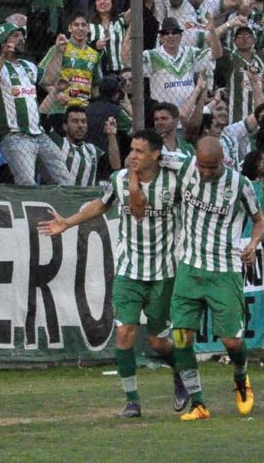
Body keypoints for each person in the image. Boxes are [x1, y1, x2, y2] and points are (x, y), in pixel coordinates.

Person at [38, 129, 190, 419]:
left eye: (140, 151)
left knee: (158, 341)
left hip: (164, 270)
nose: (133, 156)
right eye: (131, 150)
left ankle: (179, 372)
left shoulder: (176, 178)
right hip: (129, 269)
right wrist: (67, 223)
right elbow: (101, 204)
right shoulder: (119, 180)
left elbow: (192, 167)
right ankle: (132, 401)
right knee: (124, 333)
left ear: (157, 155)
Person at [169, 136, 264, 422]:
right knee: (180, 336)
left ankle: (241, 378)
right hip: (189, 268)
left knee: (231, 341)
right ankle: (198, 403)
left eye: (212, 167)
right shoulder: (184, 167)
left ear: (223, 160)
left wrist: (252, 244)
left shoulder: (240, 185)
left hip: (225, 270)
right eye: (202, 166)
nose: (206, 172)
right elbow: (145, 157)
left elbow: (259, 220)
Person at [0, 22, 72, 186]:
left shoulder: (27, 65)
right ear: (3, 42)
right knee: (27, 183)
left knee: (65, 180)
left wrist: (58, 52)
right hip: (14, 135)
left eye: (22, 36)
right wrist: (2, 57)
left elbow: (50, 78)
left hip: (39, 135)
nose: (21, 39)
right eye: (15, 36)